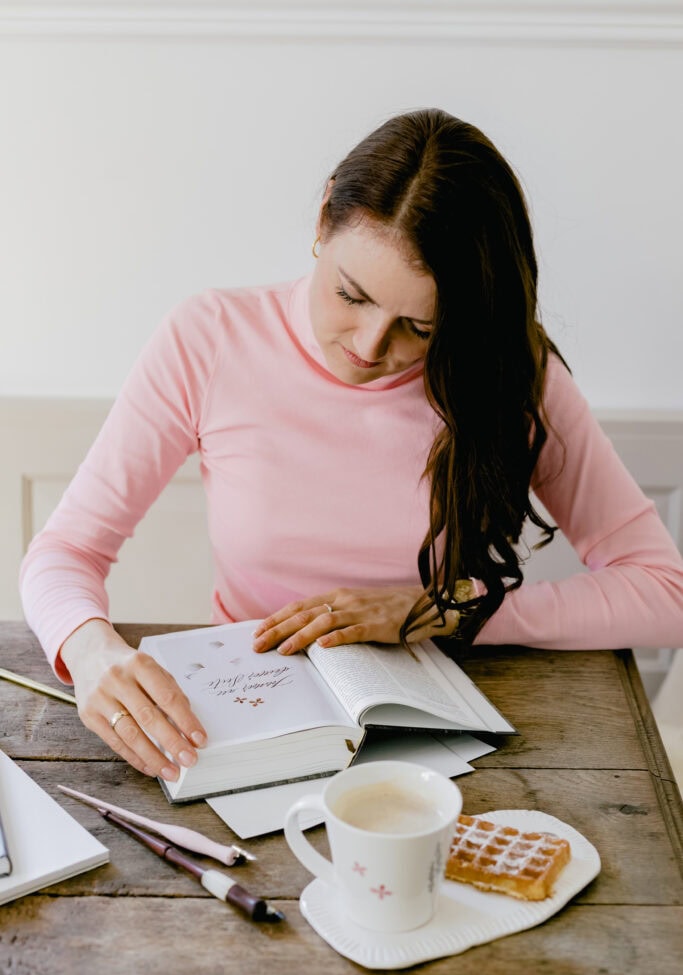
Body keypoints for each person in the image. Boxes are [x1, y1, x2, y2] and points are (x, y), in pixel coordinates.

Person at [20, 108, 683, 784]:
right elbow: (66, 552)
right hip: (247, 718)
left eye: (419, 328)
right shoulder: (209, 337)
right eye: (350, 295)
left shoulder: (514, 377)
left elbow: (665, 593)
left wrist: (441, 611)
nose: (370, 347)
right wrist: (91, 650)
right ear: (321, 223)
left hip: (441, 730)